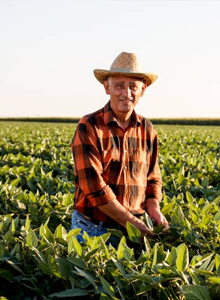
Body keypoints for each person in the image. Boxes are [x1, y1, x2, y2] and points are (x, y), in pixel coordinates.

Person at [70, 51, 168, 243]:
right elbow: (94, 188)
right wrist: (131, 221)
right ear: (107, 87)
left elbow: (153, 177)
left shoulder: (147, 128)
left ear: (143, 90)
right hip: (93, 229)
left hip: (134, 227)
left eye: (133, 86)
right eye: (119, 86)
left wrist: (154, 207)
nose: (127, 93)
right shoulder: (89, 126)